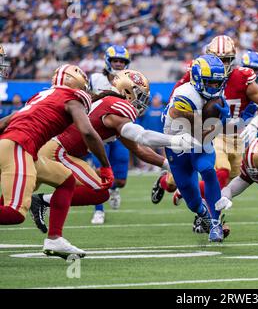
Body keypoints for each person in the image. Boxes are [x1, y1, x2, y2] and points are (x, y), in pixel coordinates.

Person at [29, 69, 197, 233]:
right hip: (57, 151)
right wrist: (175, 140)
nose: (142, 101)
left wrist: (170, 166)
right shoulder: (118, 106)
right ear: (128, 91)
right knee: (99, 192)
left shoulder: (109, 103)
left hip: (60, 151)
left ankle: (46, 216)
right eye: (140, 95)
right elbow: (142, 136)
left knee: (20, 196)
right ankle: (43, 206)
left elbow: (138, 150)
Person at [0, 64, 113, 259]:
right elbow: (88, 132)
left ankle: (55, 239)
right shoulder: (73, 99)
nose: (86, 92)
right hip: (19, 145)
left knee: (65, 179)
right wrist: (105, 165)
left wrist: (98, 97)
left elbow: (4, 122)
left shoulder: (43, 96)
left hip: (16, 144)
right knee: (15, 213)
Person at [152, 36, 258, 210]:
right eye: (218, 59)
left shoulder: (242, 77)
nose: (222, 65)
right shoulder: (195, 74)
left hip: (236, 136)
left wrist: (256, 123)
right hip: (208, 133)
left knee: (228, 182)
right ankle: (210, 219)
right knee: (220, 173)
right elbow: (175, 105)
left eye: (226, 60)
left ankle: (167, 182)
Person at [162, 54, 230, 242]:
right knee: (192, 200)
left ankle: (216, 224)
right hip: (177, 145)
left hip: (200, 142)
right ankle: (204, 215)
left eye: (218, 83)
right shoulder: (185, 94)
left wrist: (221, 121)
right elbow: (177, 114)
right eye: (210, 82)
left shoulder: (217, 97)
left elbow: (209, 133)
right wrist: (204, 121)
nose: (215, 87)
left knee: (208, 170)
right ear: (198, 78)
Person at [89, 45, 132, 224]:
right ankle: (99, 210)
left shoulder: (131, 80)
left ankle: (113, 189)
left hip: (121, 131)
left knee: (120, 180)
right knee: (100, 173)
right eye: (115, 60)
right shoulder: (95, 79)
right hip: (99, 131)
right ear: (108, 61)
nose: (119, 64)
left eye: (122, 61)